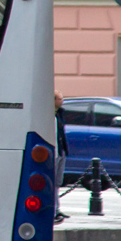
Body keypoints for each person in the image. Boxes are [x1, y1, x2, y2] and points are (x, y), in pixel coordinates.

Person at [54, 90, 69, 224]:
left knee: (58, 183)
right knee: (52, 183)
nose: (62, 101)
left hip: (61, 151)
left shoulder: (60, 114)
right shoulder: (48, 116)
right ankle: (53, 210)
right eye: (60, 98)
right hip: (53, 153)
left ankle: (57, 209)